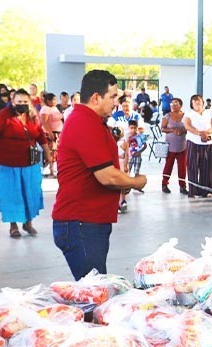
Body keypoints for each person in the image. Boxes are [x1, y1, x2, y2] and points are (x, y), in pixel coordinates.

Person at [53, 70, 147, 280]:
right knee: (92, 293)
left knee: (94, 290)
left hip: (88, 222)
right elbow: (107, 177)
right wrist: (136, 181)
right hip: (80, 223)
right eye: (112, 97)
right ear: (96, 97)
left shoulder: (92, 121)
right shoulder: (84, 122)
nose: (116, 103)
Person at [0, 89, 47, 239]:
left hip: (30, 164)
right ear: (13, 102)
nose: (22, 104)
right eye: (19, 102)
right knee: (12, 195)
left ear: (29, 102)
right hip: (8, 165)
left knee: (30, 193)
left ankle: (28, 223)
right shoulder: (4, 116)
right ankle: (13, 226)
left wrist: (48, 152)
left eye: (25, 102)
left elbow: (40, 135)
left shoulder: (32, 116)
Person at [183, 94, 212, 198]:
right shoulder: (189, 113)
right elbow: (187, 126)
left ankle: (207, 191)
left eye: (199, 101)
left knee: (207, 167)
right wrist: (200, 133)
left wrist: (207, 133)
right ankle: (193, 191)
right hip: (193, 142)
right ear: (191, 104)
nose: (197, 102)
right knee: (193, 167)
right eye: (194, 101)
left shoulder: (209, 112)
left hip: (207, 143)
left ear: (203, 102)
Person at [161, 98, 188, 194]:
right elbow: (162, 129)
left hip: (182, 146)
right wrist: (172, 130)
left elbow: (188, 128)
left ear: (180, 105)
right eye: (171, 103)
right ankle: (164, 184)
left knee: (182, 167)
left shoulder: (185, 116)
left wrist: (182, 131)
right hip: (170, 146)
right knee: (168, 165)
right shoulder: (167, 116)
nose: (173, 105)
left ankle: (182, 186)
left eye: (175, 103)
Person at [40, 93, 64, 178]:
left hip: (57, 132)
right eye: (53, 100)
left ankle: (54, 169)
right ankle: (49, 169)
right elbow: (44, 122)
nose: (54, 101)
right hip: (51, 133)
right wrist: (50, 133)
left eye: (55, 99)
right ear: (48, 101)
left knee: (55, 152)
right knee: (51, 151)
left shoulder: (54, 108)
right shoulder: (45, 109)